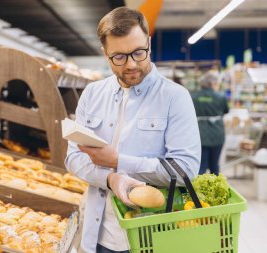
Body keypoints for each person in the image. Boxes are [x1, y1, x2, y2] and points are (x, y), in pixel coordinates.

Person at [65, 7, 201, 253]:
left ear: (148, 42)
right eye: (119, 57)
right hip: (95, 236)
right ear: (105, 54)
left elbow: (186, 170)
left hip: (150, 238)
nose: (131, 64)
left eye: (139, 52)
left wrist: (118, 160)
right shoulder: (92, 94)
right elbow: (73, 157)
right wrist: (110, 178)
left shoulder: (175, 97)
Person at [192, 71, 229, 176]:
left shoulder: (193, 96)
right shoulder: (220, 97)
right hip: (217, 133)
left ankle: (198, 191)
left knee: (200, 166)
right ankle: (216, 189)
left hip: (199, 134)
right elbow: (226, 111)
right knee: (214, 165)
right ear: (213, 83)